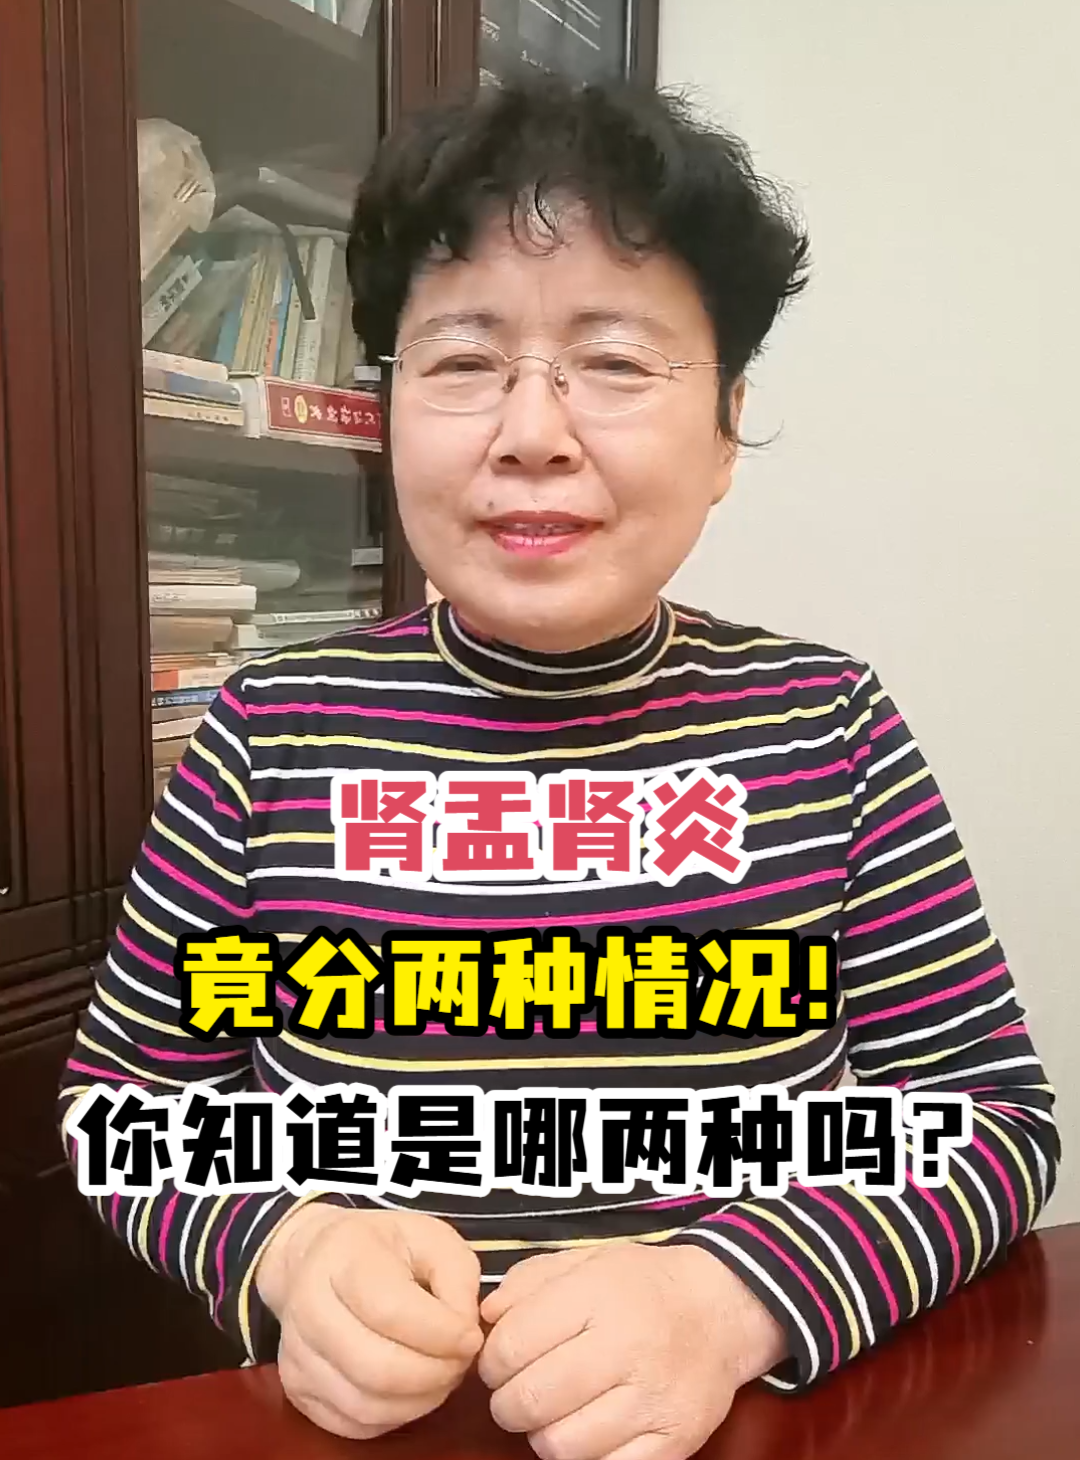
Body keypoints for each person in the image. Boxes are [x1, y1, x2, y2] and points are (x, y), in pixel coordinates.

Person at [60, 74, 1058, 1460]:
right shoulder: (270, 730)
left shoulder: (826, 727)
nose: (532, 433)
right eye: (464, 363)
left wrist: (729, 1299)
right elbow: (129, 1109)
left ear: (727, 431)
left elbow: (988, 1123)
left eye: (618, 363)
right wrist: (286, 1246)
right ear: (387, 409)